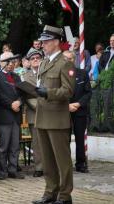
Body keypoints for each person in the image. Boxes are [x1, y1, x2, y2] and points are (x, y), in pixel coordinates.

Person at [32, 25, 75, 204]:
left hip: (57, 118)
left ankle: (65, 196)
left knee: (62, 160)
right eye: (42, 41)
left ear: (56, 42)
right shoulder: (44, 62)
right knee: (47, 160)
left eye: (46, 41)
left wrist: (48, 93)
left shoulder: (65, 63)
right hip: (42, 116)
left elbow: (68, 91)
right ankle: (50, 191)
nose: (43, 44)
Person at [0, 53, 24, 180]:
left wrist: (19, 101)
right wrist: (11, 104)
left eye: (13, 61)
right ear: (0, 62)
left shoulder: (16, 76)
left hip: (16, 116)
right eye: (8, 61)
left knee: (15, 146)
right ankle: (2, 171)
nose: (11, 64)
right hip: (3, 115)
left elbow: (23, 92)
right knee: (3, 146)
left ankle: (13, 169)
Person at [63, 51, 92, 173]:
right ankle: (65, 165)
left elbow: (88, 92)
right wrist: (67, 106)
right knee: (65, 139)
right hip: (64, 111)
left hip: (79, 111)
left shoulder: (82, 73)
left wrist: (78, 104)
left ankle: (80, 164)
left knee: (80, 139)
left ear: (74, 60)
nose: (67, 61)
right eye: (65, 59)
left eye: (70, 58)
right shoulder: (59, 75)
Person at [23, 50, 44, 177]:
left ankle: (51, 167)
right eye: (33, 58)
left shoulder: (47, 74)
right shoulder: (25, 77)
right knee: (37, 143)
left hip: (49, 113)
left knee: (49, 141)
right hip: (34, 113)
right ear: (29, 62)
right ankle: (39, 167)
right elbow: (28, 96)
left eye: (38, 57)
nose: (35, 59)